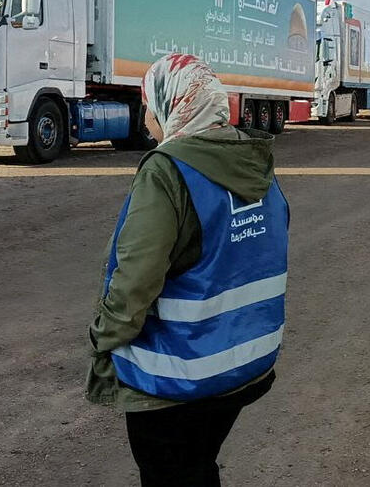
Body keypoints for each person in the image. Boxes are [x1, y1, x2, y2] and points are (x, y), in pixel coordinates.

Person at [86, 54, 288, 487]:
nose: (147, 122)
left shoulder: (168, 169)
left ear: (169, 105)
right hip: (243, 364)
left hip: (178, 376)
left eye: (148, 108)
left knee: (170, 472)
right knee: (196, 467)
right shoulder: (254, 161)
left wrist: (104, 338)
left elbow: (136, 277)